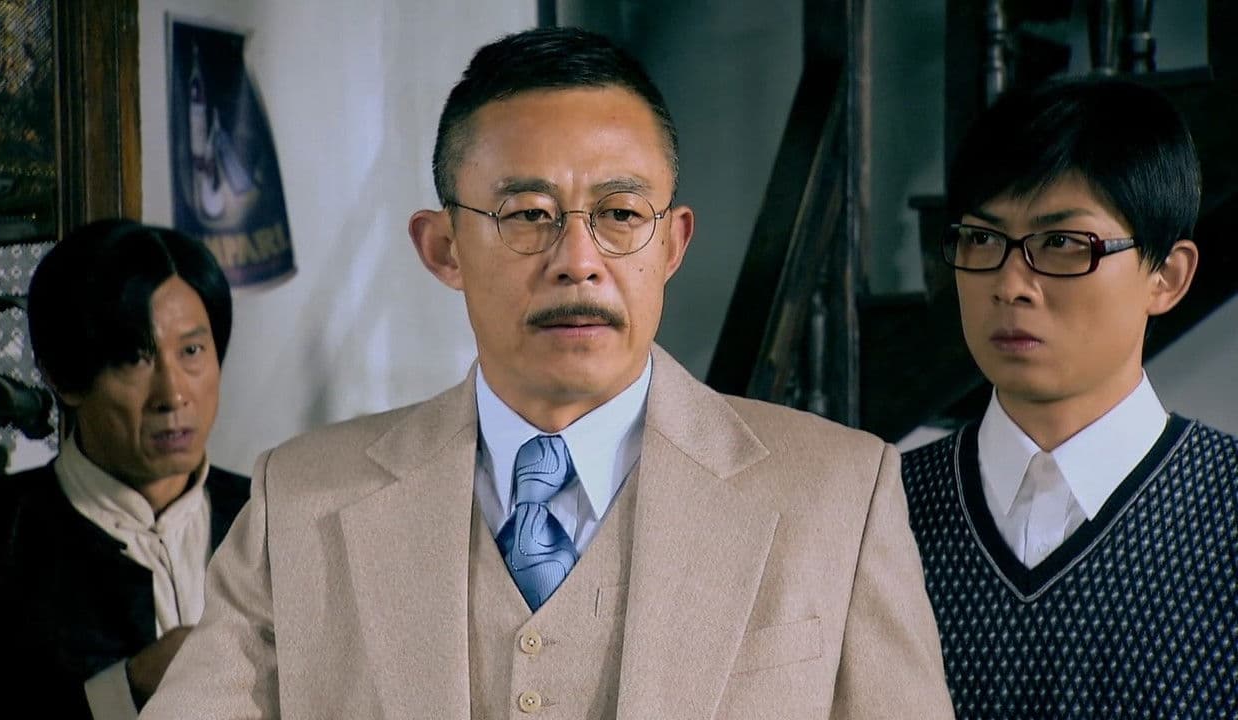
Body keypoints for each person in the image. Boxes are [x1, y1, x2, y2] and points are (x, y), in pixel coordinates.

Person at [143, 27, 953, 719]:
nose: (578, 261)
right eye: (527, 215)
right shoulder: (300, 500)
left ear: (672, 243)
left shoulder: (837, 495)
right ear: (443, 248)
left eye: (620, 215)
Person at [901, 77, 1237, 717]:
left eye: (1060, 244)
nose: (1010, 285)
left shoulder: (1224, 512)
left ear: (1166, 277)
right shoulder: (878, 512)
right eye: (982, 239)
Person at [0, 219, 249, 719]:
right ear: (62, 376)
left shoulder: (270, 520)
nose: (173, 395)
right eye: (134, 359)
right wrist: (125, 692)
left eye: (191, 351)